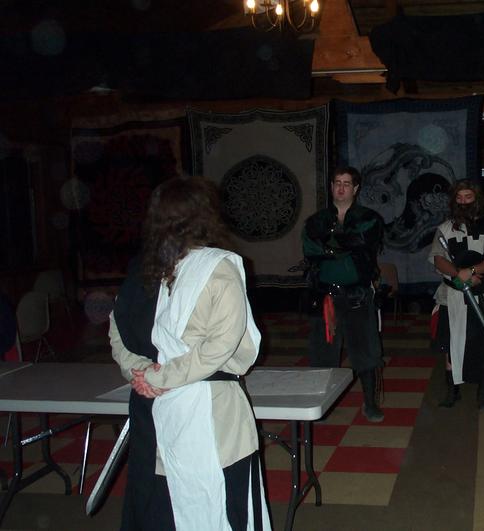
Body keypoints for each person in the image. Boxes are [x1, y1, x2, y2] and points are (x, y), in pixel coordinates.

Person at [109, 176, 271, 531]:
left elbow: (117, 333)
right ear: (205, 216)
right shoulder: (218, 268)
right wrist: (156, 376)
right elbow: (221, 346)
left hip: (151, 404)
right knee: (210, 508)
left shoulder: (142, 269)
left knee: (160, 504)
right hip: (208, 412)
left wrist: (144, 374)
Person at [302, 166, 386, 422]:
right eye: (337, 182)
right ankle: (321, 405)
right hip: (326, 295)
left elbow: (361, 243)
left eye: (346, 183)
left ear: (356, 188)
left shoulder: (369, 218)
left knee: (366, 351)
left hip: (357, 295)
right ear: (331, 186)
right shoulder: (316, 220)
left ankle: (370, 403)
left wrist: (329, 245)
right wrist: (340, 246)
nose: (341, 188)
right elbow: (310, 249)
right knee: (322, 352)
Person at [430, 180, 484, 410]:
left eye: (468, 197)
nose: (464, 202)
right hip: (452, 294)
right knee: (450, 342)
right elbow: (438, 258)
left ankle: (483, 391)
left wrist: (473, 271)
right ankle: (452, 390)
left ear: (477, 199)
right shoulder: (445, 228)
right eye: (459, 197)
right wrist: (459, 275)